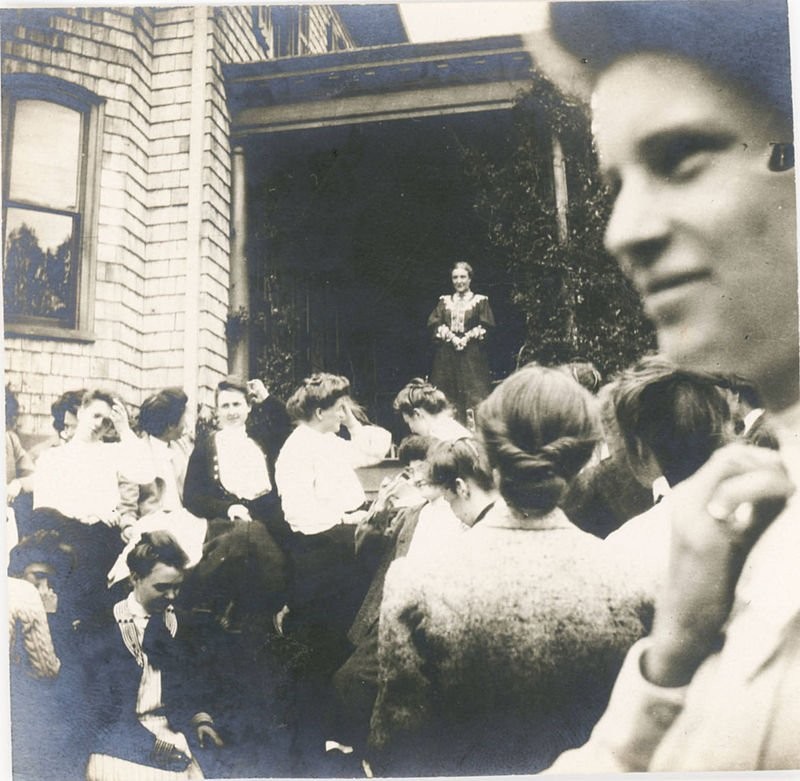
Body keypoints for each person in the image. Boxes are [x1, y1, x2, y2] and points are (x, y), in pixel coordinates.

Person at [535, 0, 800, 770]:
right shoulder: (741, 541)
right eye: (618, 180)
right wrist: (672, 660)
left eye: (681, 157)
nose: (624, 231)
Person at [368, 366, 648, 776]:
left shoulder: (418, 582)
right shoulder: (632, 575)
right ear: (584, 457)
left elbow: (398, 746)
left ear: (490, 457)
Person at [69, 531, 224, 780]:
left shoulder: (182, 625)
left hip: (173, 731)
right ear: (135, 578)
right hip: (116, 740)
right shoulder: (100, 627)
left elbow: (193, 684)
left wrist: (200, 721)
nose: (172, 596)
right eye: (162, 587)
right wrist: (156, 749)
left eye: (177, 587)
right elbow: (96, 712)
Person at [427, 262, 495, 423]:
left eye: (463, 277)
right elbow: (434, 324)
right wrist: (452, 337)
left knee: (474, 394)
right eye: (455, 277)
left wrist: (466, 338)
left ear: (470, 279)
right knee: (446, 394)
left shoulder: (480, 301)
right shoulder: (444, 302)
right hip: (447, 357)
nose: (459, 281)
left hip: (471, 357)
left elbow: (487, 326)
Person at [392, 378, 471, 442]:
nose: (412, 430)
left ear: (417, 414)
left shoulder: (442, 442)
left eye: (409, 422)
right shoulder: (455, 430)